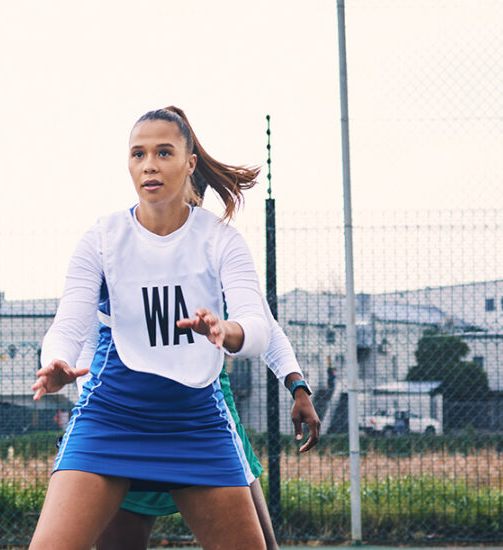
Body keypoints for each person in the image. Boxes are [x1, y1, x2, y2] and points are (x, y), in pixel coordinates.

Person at [30, 106, 281, 550]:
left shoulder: (220, 239)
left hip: (196, 422)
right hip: (111, 417)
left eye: (164, 152)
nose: (149, 164)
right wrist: (56, 361)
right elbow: (67, 325)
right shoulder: (103, 238)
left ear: (189, 162)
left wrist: (227, 330)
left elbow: (258, 326)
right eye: (138, 154)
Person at [83, 322, 320, 550]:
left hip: (209, 421)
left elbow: (265, 326)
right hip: (130, 421)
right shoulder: (113, 294)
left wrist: (298, 387)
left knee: (263, 545)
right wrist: (94, 409)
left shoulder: (219, 291)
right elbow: (87, 339)